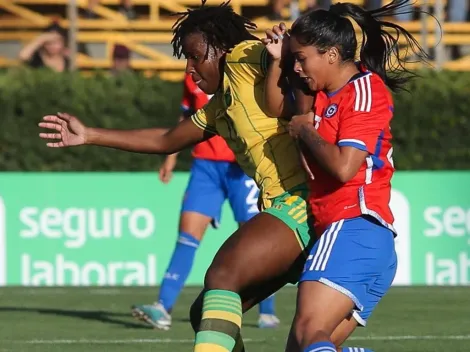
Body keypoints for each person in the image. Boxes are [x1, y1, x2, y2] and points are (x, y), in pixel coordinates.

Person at [262, 1, 428, 351]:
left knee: (309, 333)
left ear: (333, 55)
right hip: (354, 237)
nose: (298, 66)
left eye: (302, 57)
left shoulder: (364, 91)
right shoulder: (322, 93)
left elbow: (343, 167)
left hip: (354, 227)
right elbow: (278, 108)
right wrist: (278, 59)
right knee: (307, 347)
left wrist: (306, 131)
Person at [131, 73, 280, 330]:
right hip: (205, 168)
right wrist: (171, 158)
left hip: (241, 168)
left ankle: (266, 310)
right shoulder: (193, 77)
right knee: (187, 236)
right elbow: (185, 118)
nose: (192, 62)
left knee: (255, 238)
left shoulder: (243, 70)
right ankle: (162, 308)